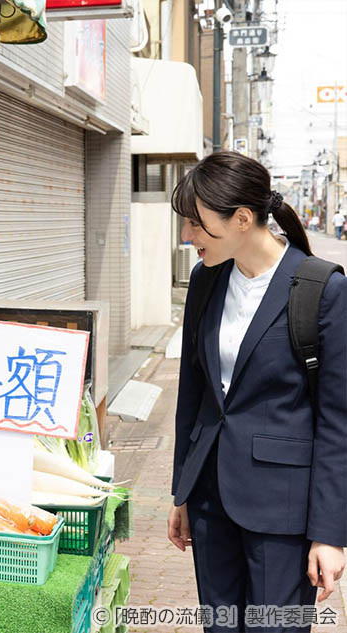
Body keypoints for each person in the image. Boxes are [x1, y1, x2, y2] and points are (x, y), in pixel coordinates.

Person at [167, 152, 346, 632]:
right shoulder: (207, 280)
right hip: (210, 502)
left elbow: (337, 422)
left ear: (242, 219)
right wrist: (182, 491)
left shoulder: (319, 289)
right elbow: (193, 391)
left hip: (283, 514)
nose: (188, 237)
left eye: (197, 225)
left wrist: (329, 535)